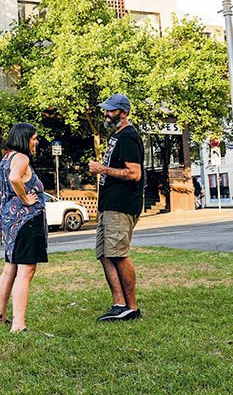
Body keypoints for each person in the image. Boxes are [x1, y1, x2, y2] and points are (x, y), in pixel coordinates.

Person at [88, 93, 144, 322]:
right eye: (105, 110)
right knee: (105, 254)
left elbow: (134, 173)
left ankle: (132, 307)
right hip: (109, 204)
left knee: (119, 254)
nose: (106, 114)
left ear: (124, 112)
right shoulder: (116, 136)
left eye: (110, 110)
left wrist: (102, 169)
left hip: (122, 205)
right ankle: (119, 304)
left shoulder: (129, 136)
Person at [0, 122, 47, 333]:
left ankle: (0, 317)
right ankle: (18, 324)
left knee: (10, 268)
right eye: (33, 138)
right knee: (26, 270)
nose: (36, 141)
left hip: (10, 222)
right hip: (26, 222)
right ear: (24, 139)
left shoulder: (6, 158)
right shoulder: (21, 158)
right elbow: (14, 178)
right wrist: (25, 199)